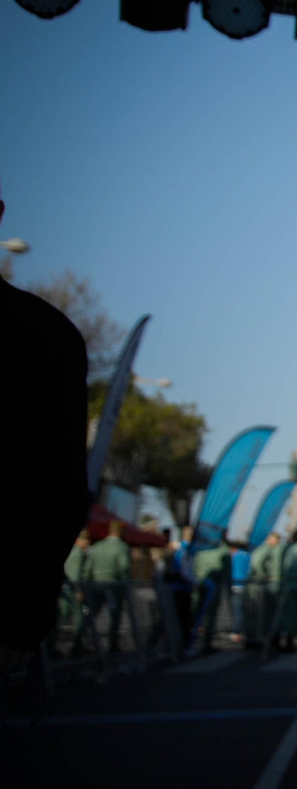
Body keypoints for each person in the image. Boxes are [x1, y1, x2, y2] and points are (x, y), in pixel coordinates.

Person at [0, 183, 90, 673]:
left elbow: (58, 492)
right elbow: (61, 492)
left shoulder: (41, 336)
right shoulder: (42, 334)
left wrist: (21, 619)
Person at [78, 521, 133, 653]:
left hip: (95, 586)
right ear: (120, 532)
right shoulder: (121, 547)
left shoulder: (97, 547)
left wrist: (83, 587)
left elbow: (86, 569)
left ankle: (78, 642)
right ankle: (112, 644)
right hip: (112, 586)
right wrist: (125, 585)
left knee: (90, 616)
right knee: (114, 616)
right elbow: (124, 568)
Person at [246, 531, 282, 648]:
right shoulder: (266, 549)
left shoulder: (262, 548)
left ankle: (253, 637)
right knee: (259, 613)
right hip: (259, 584)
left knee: (256, 613)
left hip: (255, 583)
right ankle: (255, 638)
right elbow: (257, 563)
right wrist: (263, 576)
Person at [230, 540, 252, 642]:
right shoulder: (249, 556)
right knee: (246, 610)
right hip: (247, 585)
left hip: (235, 585)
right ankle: (247, 631)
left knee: (237, 610)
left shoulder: (234, 556)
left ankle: (236, 632)